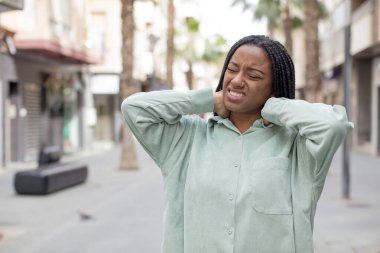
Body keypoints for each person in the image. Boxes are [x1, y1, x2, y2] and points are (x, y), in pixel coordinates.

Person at [121, 35, 353, 253]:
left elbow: (333, 125)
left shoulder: (298, 147)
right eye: (232, 69)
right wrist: (208, 99)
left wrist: (274, 107)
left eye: (253, 76)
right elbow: (134, 109)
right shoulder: (186, 140)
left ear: (273, 88)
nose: (237, 80)